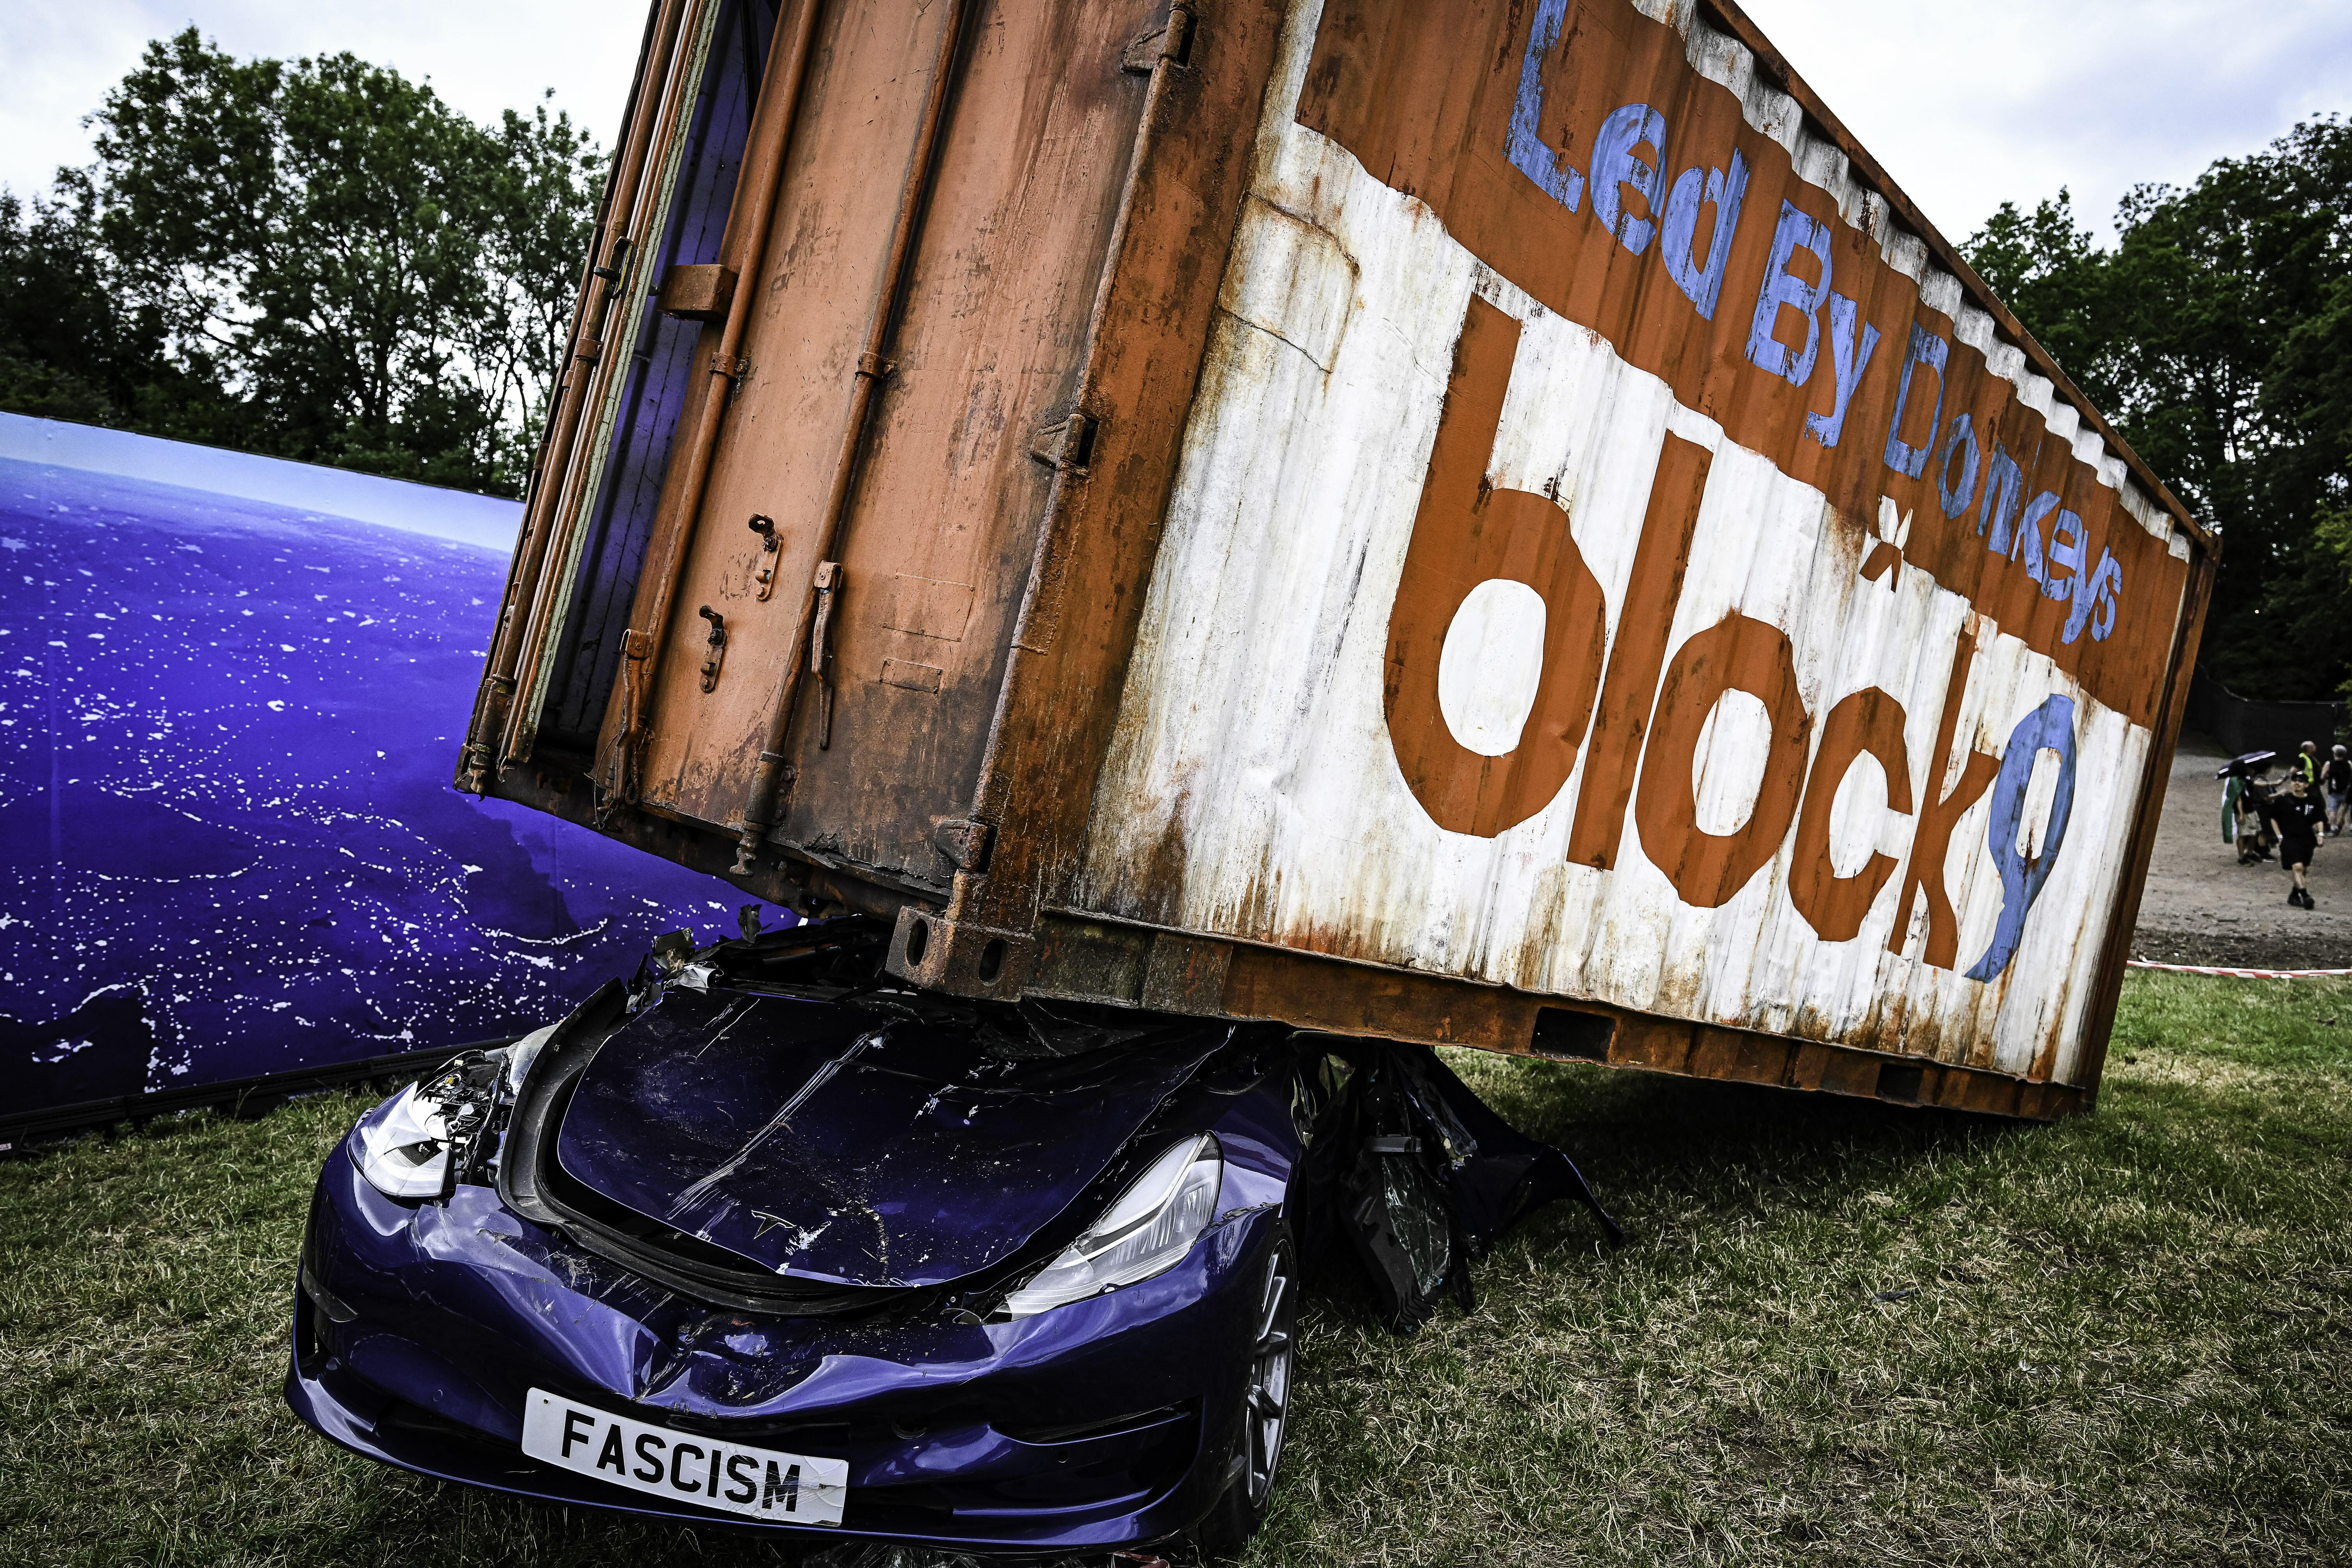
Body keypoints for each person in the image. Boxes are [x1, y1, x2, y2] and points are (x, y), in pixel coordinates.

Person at [2261, 770, 2327, 908]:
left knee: (2304, 869)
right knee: (2297, 867)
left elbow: (2319, 819)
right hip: (2289, 839)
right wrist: (2279, 836)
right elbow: (2273, 818)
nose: (2297, 783)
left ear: (2307, 785)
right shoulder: (2283, 800)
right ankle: (2305, 895)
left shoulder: (2313, 801)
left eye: (2301, 781)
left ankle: (2294, 895)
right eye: (2295, 780)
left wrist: (2321, 834)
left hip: (2307, 839)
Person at [2325, 744, 2352, 836]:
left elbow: (2323, 776)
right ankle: (2351, 827)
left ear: (2334, 754)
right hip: (2347, 791)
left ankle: (2333, 828)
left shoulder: (2329, 764)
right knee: (2349, 810)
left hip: (2334, 792)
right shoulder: (2349, 763)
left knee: (2333, 811)